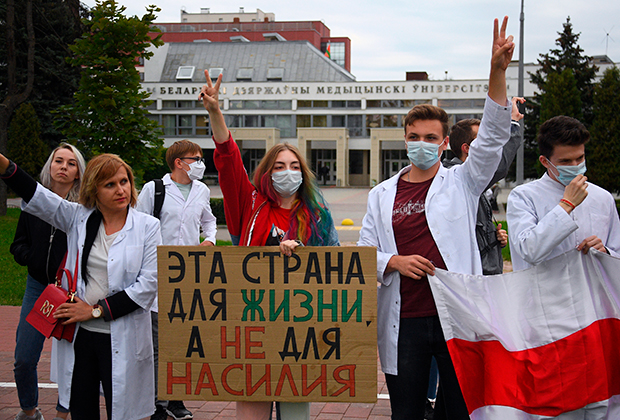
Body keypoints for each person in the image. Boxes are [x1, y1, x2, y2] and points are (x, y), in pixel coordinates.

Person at [357, 17, 514, 420]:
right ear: (404, 139)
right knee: (406, 412)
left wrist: (496, 72)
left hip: (454, 316)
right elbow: (364, 251)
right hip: (404, 319)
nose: (422, 144)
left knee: (459, 410)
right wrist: (392, 262)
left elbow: (494, 136)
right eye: (415, 137)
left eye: (431, 138)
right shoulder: (381, 195)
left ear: (446, 144)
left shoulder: (463, 182)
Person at [199, 68, 339, 420]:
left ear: (303, 173)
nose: (286, 172)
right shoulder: (249, 205)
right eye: (279, 166)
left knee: (295, 414)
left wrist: (302, 260)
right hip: (251, 329)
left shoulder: (318, 216)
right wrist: (216, 112)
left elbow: (336, 270)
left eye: (293, 165)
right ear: (267, 172)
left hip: (300, 332)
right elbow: (229, 160)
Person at [0, 152, 161, 420]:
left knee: (122, 413)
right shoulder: (78, 218)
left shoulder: (147, 227)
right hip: (81, 337)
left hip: (122, 336)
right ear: (93, 191)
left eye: (124, 181)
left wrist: (95, 310)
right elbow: (37, 195)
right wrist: (5, 166)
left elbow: (148, 285)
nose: (121, 190)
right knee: (82, 410)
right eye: (110, 185)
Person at [136, 139, 217, 420]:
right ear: (178, 162)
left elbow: (209, 220)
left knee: (183, 342)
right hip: (157, 275)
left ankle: (175, 399)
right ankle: (158, 404)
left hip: (189, 277)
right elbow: (138, 225)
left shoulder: (202, 190)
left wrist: (210, 239)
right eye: (195, 158)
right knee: (159, 344)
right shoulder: (154, 190)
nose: (201, 163)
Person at [10, 143, 85, 420]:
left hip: (70, 293)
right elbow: (17, 245)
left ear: (78, 172)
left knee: (71, 360)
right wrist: (32, 257)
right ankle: (29, 411)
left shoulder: (83, 210)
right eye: (58, 161)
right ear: (49, 166)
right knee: (24, 357)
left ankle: (63, 413)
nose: (63, 167)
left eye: (71, 163)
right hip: (37, 288)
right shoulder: (32, 202)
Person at [507, 115, 620, 270]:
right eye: (565, 161)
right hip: (544, 291)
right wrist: (566, 205)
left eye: (580, 158)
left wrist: (605, 252)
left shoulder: (602, 197)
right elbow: (529, 251)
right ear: (545, 161)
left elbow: (616, 251)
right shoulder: (523, 196)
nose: (575, 166)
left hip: (591, 291)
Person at [442, 96, 525, 275]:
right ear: (467, 148)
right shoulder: (459, 179)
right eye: (482, 140)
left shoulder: (468, 180)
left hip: (483, 275)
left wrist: (492, 237)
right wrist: (512, 123)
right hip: (475, 278)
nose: (488, 145)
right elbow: (500, 165)